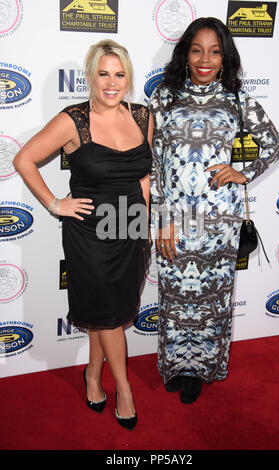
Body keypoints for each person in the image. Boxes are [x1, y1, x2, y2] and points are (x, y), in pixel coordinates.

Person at [13, 39, 153, 429]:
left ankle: (93, 375)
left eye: (120, 74)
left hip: (128, 226)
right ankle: (124, 390)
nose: (112, 83)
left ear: (128, 77)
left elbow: (142, 176)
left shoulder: (143, 116)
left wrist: (143, 228)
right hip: (89, 233)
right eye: (103, 74)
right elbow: (23, 159)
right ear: (90, 77)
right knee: (108, 315)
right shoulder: (73, 120)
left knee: (107, 311)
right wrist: (55, 204)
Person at [148, 17, 279, 404]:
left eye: (214, 51)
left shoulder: (236, 98)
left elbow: (274, 146)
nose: (205, 59)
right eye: (197, 50)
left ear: (224, 57)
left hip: (218, 223)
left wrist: (241, 173)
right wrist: (160, 218)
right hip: (174, 220)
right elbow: (152, 161)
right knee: (174, 301)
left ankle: (202, 371)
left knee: (211, 303)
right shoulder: (164, 96)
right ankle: (175, 367)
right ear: (185, 55)